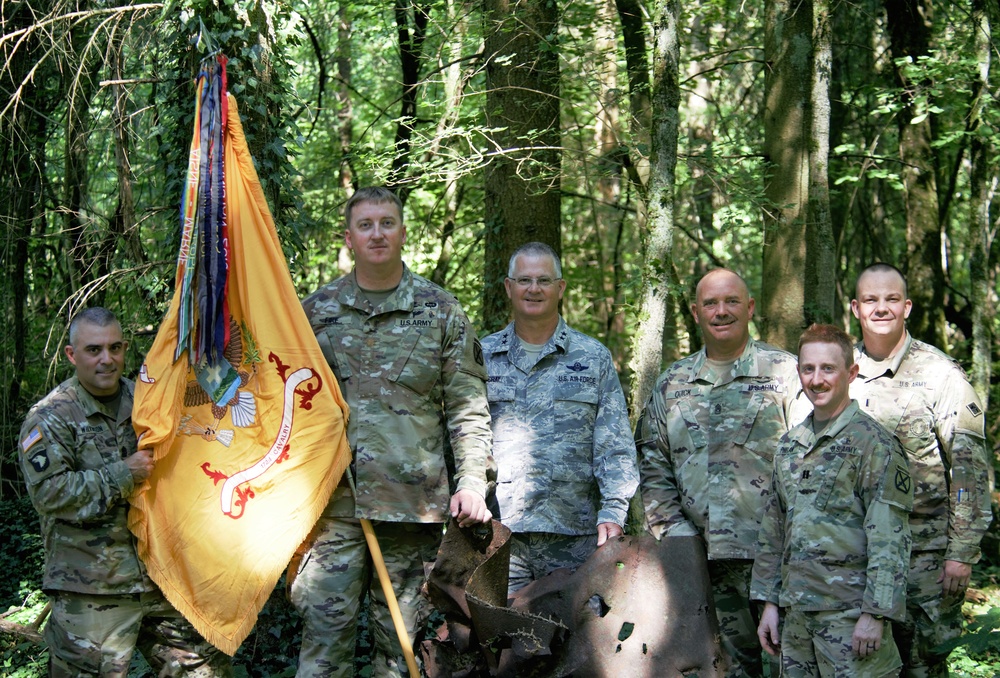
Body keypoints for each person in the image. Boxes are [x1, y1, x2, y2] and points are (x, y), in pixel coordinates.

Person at [295, 187, 494, 677]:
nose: (377, 233)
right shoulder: (312, 314)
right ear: (348, 238)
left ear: (403, 233)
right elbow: (282, 406)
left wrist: (472, 482)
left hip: (410, 511)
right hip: (331, 508)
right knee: (322, 651)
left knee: (402, 654)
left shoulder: (440, 311)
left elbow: (467, 408)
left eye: (387, 223)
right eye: (366, 225)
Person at [18, 307, 232, 677]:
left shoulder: (149, 402)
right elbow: (49, 494)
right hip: (92, 590)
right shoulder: (51, 416)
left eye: (115, 348)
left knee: (205, 670)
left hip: (160, 578)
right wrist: (122, 474)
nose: (107, 359)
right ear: (72, 355)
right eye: (94, 350)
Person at [636, 268, 807, 677]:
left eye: (732, 301)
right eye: (710, 303)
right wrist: (678, 539)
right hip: (703, 566)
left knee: (795, 665)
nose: (721, 311)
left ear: (749, 308)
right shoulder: (672, 384)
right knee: (725, 671)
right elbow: (653, 466)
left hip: (778, 561)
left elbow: (811, 466)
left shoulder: (785, 374)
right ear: (696, 313)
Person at [850, 263, 992, 677]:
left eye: (891, 299)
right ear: (856, 308)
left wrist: (961, 553)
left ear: (907, 306)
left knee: (923, 665)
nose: (881, 308)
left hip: (923, 557)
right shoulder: (840, 371)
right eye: (871, 300)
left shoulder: (940, 375)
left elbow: (968, 470)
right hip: (855, 555)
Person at [752, 323, 913, 677]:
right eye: (808, 369)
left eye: (828, 369)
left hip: (851, 620)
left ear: (851, 373)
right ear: (799, 373)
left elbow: (890, 538)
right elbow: (774, 530)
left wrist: (876, 613)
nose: (817, 379)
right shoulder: (790, 446)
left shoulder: (874, 445)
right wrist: (769, 602)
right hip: (795, 620)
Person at [481, 242, 639, 594]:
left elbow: (614, 444)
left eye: (543, 280)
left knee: (573, 642)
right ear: (508, 287)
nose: (533, 289)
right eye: (524, 280)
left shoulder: (593, 357)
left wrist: (614, 510)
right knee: (502, 640)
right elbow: (466, 437)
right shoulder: (483, 357)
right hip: (501, 534)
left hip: (576, 537)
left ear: (560, 288)